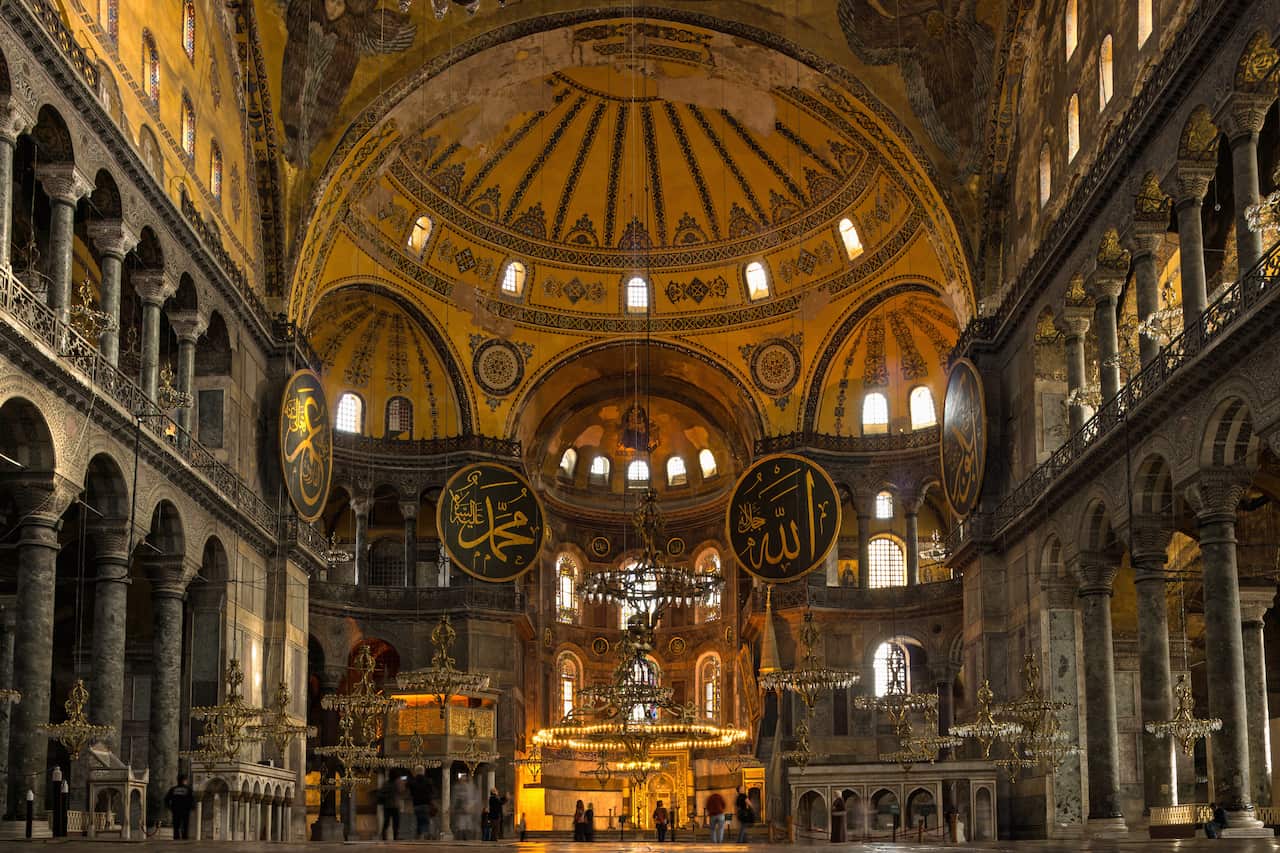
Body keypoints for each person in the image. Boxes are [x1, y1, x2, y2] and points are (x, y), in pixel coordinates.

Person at [164, 774, 195, 840]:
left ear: (178, 780)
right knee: (185, 826)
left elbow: (166, 799)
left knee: (176, 826)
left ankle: (176, 839)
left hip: (176, 810)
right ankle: (185, 839)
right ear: (185, 780)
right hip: (185, 810)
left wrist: (170, 807)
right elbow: (192, 799)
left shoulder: (173, 789)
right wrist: (191, 807)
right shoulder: (188, 789)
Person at [409, 765, 432, 839]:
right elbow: (431, 792)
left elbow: (411, 793)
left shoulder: (413, 782)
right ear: (423, 772)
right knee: (425, 821)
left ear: (415, 772)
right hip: (425, 804)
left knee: (419, 821)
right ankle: (425, 836)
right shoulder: (428, 781)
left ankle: (419, 837)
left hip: (416, 804)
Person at [379, 774, 402, 840]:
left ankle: (384, 835)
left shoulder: (385, 784)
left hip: (387, 805)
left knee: (386, 821)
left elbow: (381, 793)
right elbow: (401, 791)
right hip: (394, 805)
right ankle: (395, 836)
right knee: (396, 822)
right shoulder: (396, 784)